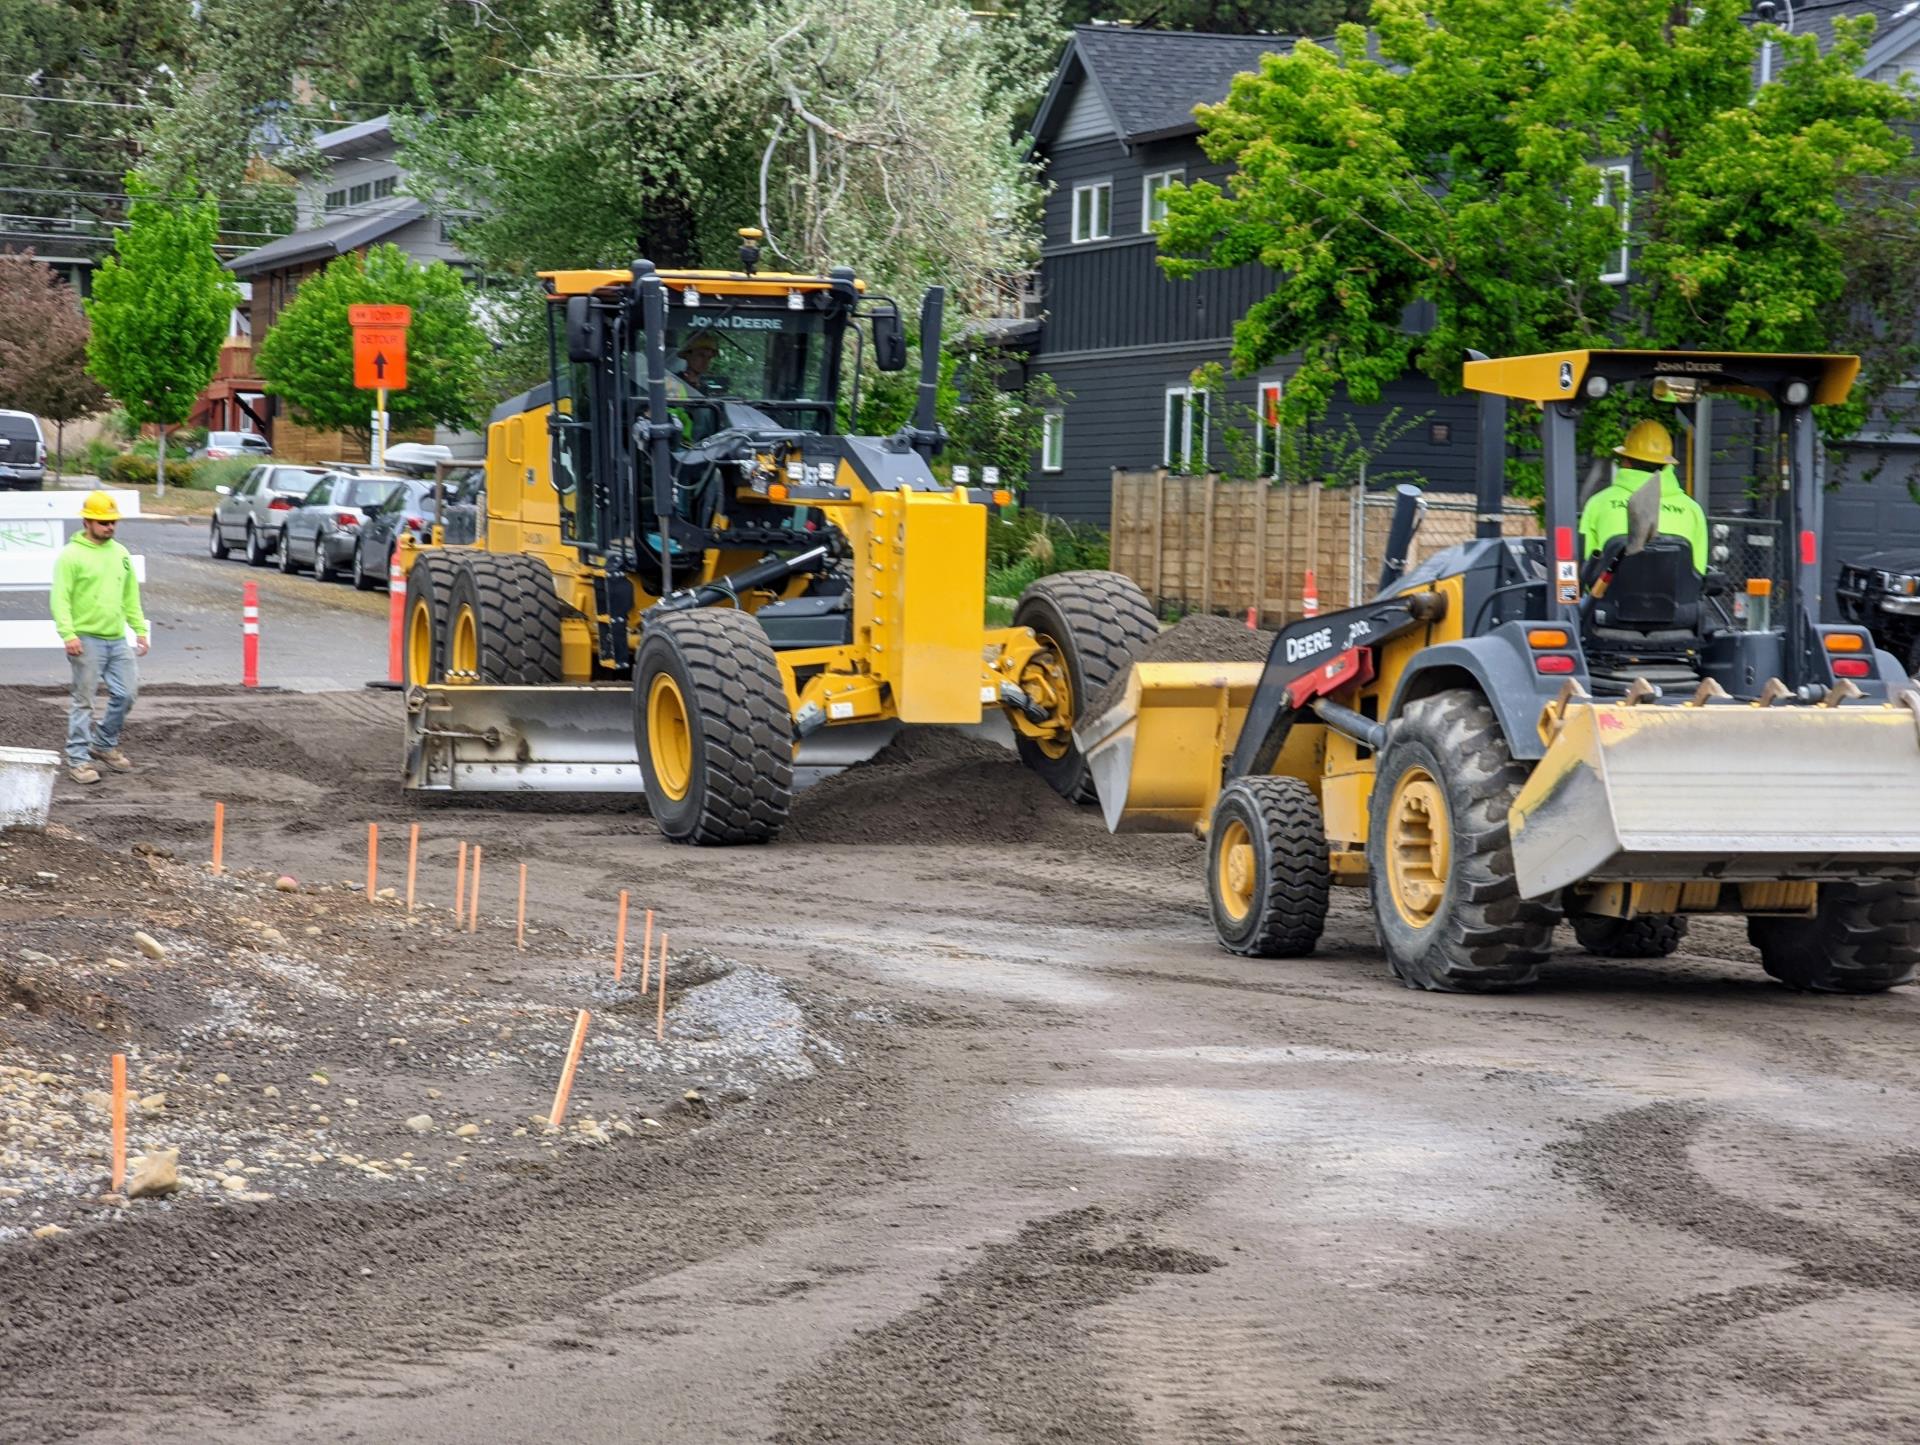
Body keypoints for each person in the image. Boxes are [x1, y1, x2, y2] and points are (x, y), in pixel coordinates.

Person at [50, 491, 149, 785]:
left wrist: (139, 629)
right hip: (85, 639)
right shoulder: (71, 556)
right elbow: (60, 599)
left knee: (127, 693)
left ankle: (104, 743)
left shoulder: (120, 554)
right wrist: (68, 633)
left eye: (113, 522)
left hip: (117, 638)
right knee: (84, 701)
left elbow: (130, 596)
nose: (110, 527)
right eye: (103, 522)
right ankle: (78, 760)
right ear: (87, 522)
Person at [1578, 420, 1708, 574]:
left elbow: (1587, 566)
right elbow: (1698, 572)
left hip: (1610, 596)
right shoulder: (1692, 510)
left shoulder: (1598, 503)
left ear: (1626, 461)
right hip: (1676, 598)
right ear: (1667, 464)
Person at [666, 332, 721, 397]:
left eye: (709, 357)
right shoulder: (672, 383)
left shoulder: (705, 388)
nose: (705, 361)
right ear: (687, 355)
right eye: (701, 355)